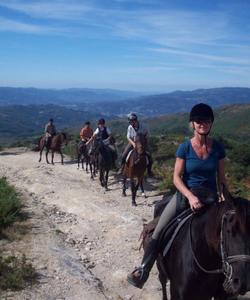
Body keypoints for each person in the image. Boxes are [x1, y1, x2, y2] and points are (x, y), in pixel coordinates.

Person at [127, 103, 227, 289]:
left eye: (206, 120)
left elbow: (221, 178)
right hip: (186, 196)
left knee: (234, 230)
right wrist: (190, 196)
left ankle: (232, 277)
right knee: (159, 228)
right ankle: (144, 268)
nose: (203, 123)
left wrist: (223, 195)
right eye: (199, 121)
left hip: (211, 198)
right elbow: (176, 178)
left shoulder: (218, 148)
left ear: (211, 123)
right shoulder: (184, 148)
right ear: (192, 124)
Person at [119, 113, 153, 177]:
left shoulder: (143, 126)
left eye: (132, 122)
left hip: (142, 143)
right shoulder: (130, 127)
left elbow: (148, 135)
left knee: (149, 156)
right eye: (130, 122)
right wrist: (133, 144)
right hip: (133, 142)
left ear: (135, 120)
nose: (131, 123)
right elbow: (128, 137)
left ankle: (149, 171)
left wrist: (145, 144)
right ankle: (122, 168)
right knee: (124, 154)